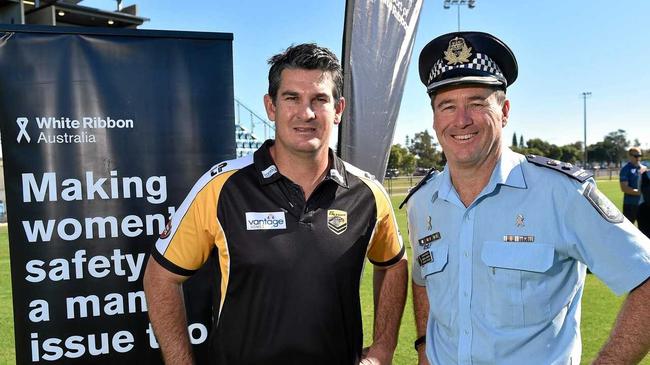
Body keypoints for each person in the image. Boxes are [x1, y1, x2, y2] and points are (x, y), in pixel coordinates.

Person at [143, 43, 408, 365]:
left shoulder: (368, 193)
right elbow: (161, 276)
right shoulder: (222, 186)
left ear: (338, 109)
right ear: (271, 106)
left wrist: (383, 349)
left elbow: (394, 264)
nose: (306, 113)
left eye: (319, 100)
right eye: (291, 98)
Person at [403, 31, 650, 365]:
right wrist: (423, 348)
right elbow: (422, 281)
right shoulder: (423, 203)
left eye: (477, 103)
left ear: (504, 111)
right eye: (447, 106)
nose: (461, 120)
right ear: (434, 118)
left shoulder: (561, 193)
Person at [620, 147, 646, 223]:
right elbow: (624, 188)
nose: (638, 158)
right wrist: (639, 192)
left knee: (645, 231)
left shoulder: (644, 168)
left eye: (640, 155)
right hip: (630, 205)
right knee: (628, 231)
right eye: (636, 156)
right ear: (630, 156)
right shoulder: (625, 169)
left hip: (644, 205)